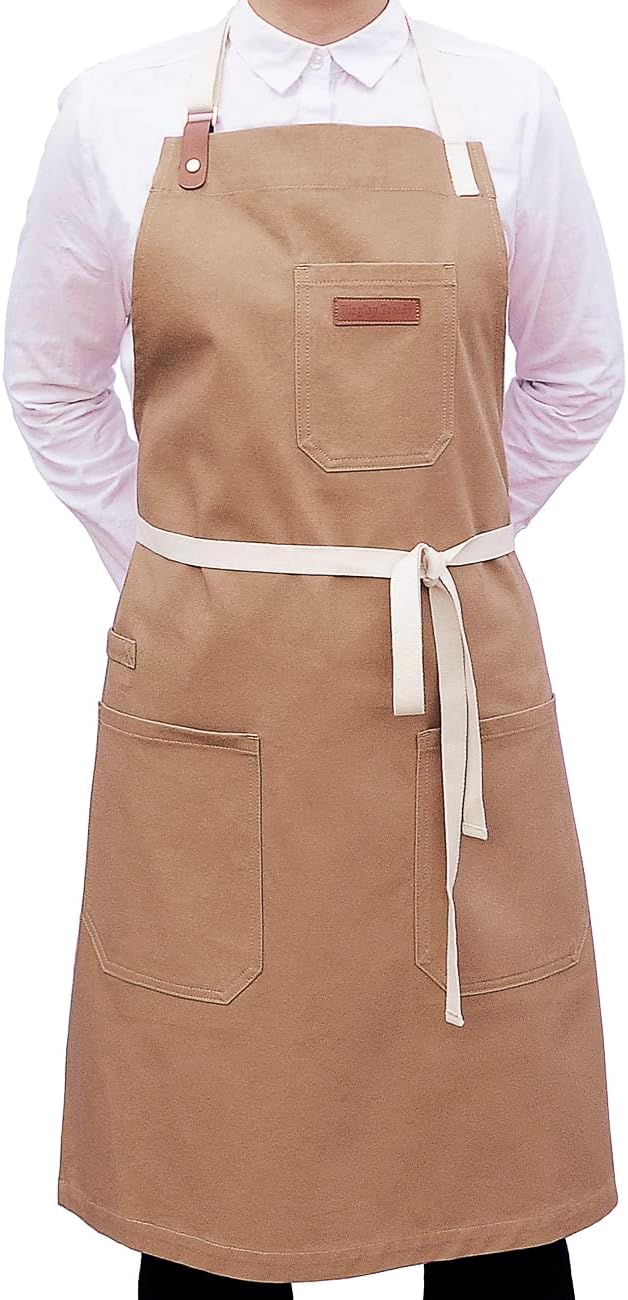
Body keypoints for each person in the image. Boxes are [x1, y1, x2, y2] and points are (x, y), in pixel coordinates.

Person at [4, 2, 624, 1297]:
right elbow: (50, 381)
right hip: (217, 693)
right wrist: (184, 565)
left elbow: (580, 372)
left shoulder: (510, 101)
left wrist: (443, 535)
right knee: (218, 1165)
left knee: (494, 1159)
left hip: (447, 681)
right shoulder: (115, 107)